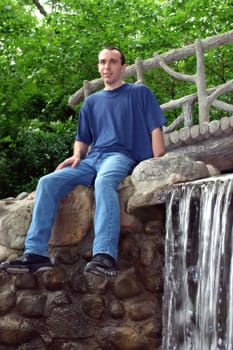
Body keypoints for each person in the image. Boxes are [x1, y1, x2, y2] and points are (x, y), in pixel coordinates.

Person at [0, 47, 166, 277]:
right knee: (48, 182)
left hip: (119, 155)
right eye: (102, 62)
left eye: (112, 62)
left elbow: (155, 127)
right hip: (91, 159)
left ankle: (104, 255)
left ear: (123, 67)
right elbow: (82, 139)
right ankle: (36, 253)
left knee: (104, 182)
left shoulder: (139, 93)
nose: (107, 66)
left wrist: (158, 160)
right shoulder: (91, 103)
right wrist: (77, 155)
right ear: (98, 67)